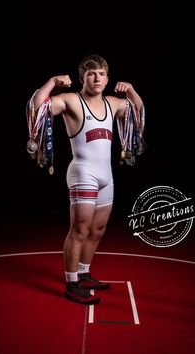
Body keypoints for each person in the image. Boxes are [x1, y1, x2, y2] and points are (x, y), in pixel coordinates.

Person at [30, 54, 144, 305]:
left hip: (106, 175)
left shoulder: (114, 103)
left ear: (107, 78)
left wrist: (132, 90)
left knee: (98, 230)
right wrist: (51, 82)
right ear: (83, 77)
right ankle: (71, 284)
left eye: (102, 73)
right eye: (92, 73)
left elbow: (138, 113)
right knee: (79, 230)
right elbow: (38, 108)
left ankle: (84, 273)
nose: (97, 78)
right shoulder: (72, 100)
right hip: (83, 173)